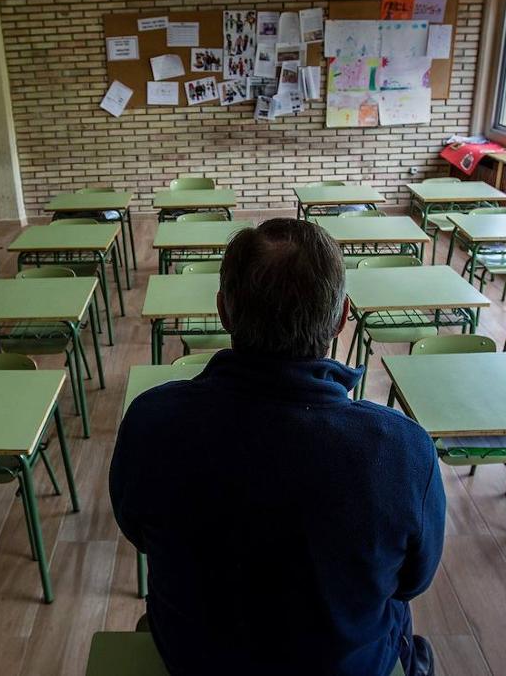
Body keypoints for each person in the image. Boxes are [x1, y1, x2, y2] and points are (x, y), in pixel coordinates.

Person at [110, 218, 445, 676]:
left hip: (195, 661)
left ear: (223, 312)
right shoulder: (403, 449)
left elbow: (136, 531)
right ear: (343, 317)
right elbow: (413, 581)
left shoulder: (152, 421)